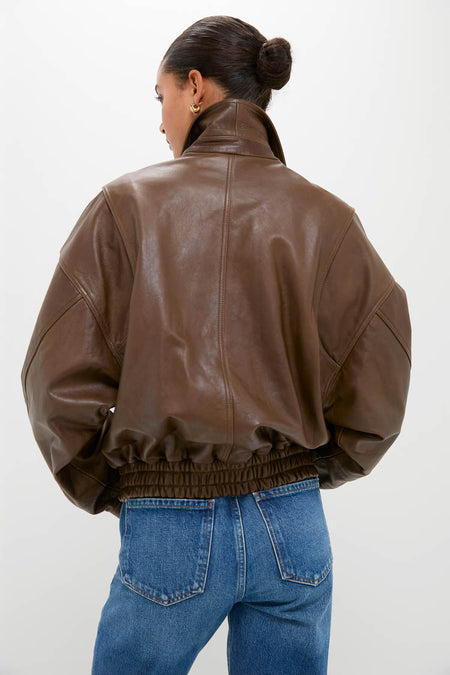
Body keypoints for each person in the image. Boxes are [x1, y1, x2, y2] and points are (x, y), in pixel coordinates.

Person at [20, 15, 412, 675]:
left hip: (168, 523)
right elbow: (383, 366)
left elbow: (53, 378)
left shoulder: (123, 207)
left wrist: (114, 483)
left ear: (196, 88)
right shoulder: (328, 218)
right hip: (293, 525)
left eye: (162, 97)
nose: (160, 120)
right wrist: (312, 468)